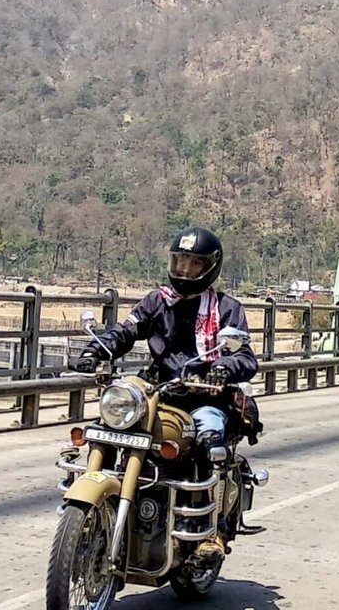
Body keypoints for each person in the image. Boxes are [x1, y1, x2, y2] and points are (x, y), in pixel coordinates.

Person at [73, 226, 258, 568]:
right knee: (106, 426)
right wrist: (96, 349)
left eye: (194, 264)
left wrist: (223, 368)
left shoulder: (226, 308)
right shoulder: (157, 301)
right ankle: (87, 513)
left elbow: (246, 356)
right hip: (158, 392)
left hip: (204, 396)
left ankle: (212, 532)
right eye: (181, 262)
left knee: (208, 438)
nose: (185, 270)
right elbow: (126, 330)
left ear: (210, 267)